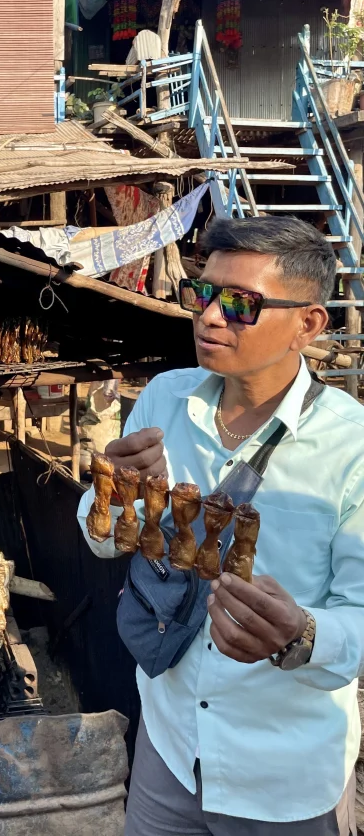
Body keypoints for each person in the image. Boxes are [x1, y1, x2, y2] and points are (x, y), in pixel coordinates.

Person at [78, 216, 363, 835]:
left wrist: (302, 634)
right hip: (170, 743)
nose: (209, 316)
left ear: (308, 324)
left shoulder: (352, 448)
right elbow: (103, 540)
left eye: (239, 303)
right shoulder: (162, 399)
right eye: (203, 294)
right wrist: (115, 495)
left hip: (282, 774)